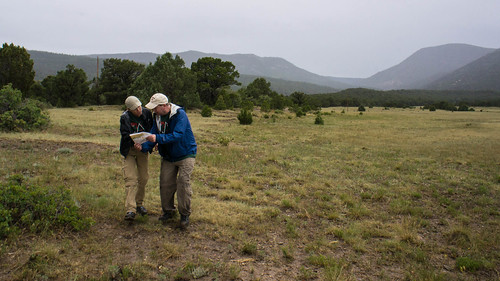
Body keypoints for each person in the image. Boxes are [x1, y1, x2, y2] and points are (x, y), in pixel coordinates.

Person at [142, 93, 197, 229]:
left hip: (185, 154)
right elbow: (153, 134)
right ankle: (168, 211)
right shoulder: (157, 116)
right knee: (165, 184)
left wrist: (157, 139)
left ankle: (184, 215)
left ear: (164, 106)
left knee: (183, 183)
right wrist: (143, 147)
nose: (153, 111)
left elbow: (178, 135)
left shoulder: (179, 115)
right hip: (168, 156)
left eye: (155, 107)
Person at [120, 96, 154, 221]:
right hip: (129, 150)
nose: (139, 110)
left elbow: (151, 129)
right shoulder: (125, 117)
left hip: (143, 149)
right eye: (135, 109)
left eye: (139, 106)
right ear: (129, 109)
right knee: (130, 179)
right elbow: (124, 134)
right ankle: (130, 209)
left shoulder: (146, 113)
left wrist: (148, 144)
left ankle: (139, 204)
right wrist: (132, 142)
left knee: (143, 178)